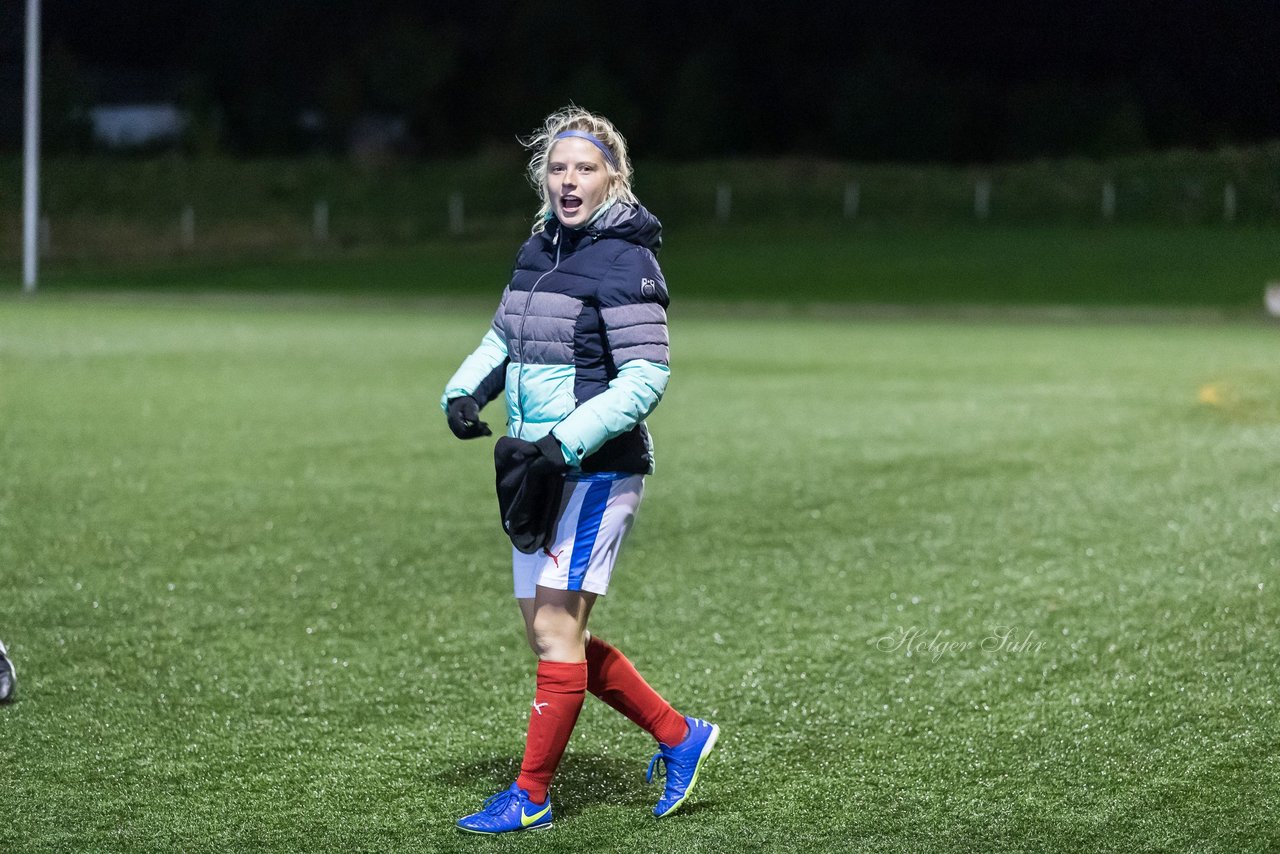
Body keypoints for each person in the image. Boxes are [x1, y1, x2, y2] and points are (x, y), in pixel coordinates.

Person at [441, 106, 718, 835]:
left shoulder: (628, 260)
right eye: (558, 168)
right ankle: (680, 734)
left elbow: (644, 377)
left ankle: (530, 796)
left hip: (595, 470)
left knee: (558, 630)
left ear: (612, 178)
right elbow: (504, 335)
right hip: (537, 469)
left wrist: (567, 443)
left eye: (585, 168)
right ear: (544, 177)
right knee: (550, 634)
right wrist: (466, 391)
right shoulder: (540, 248)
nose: (569, 179)